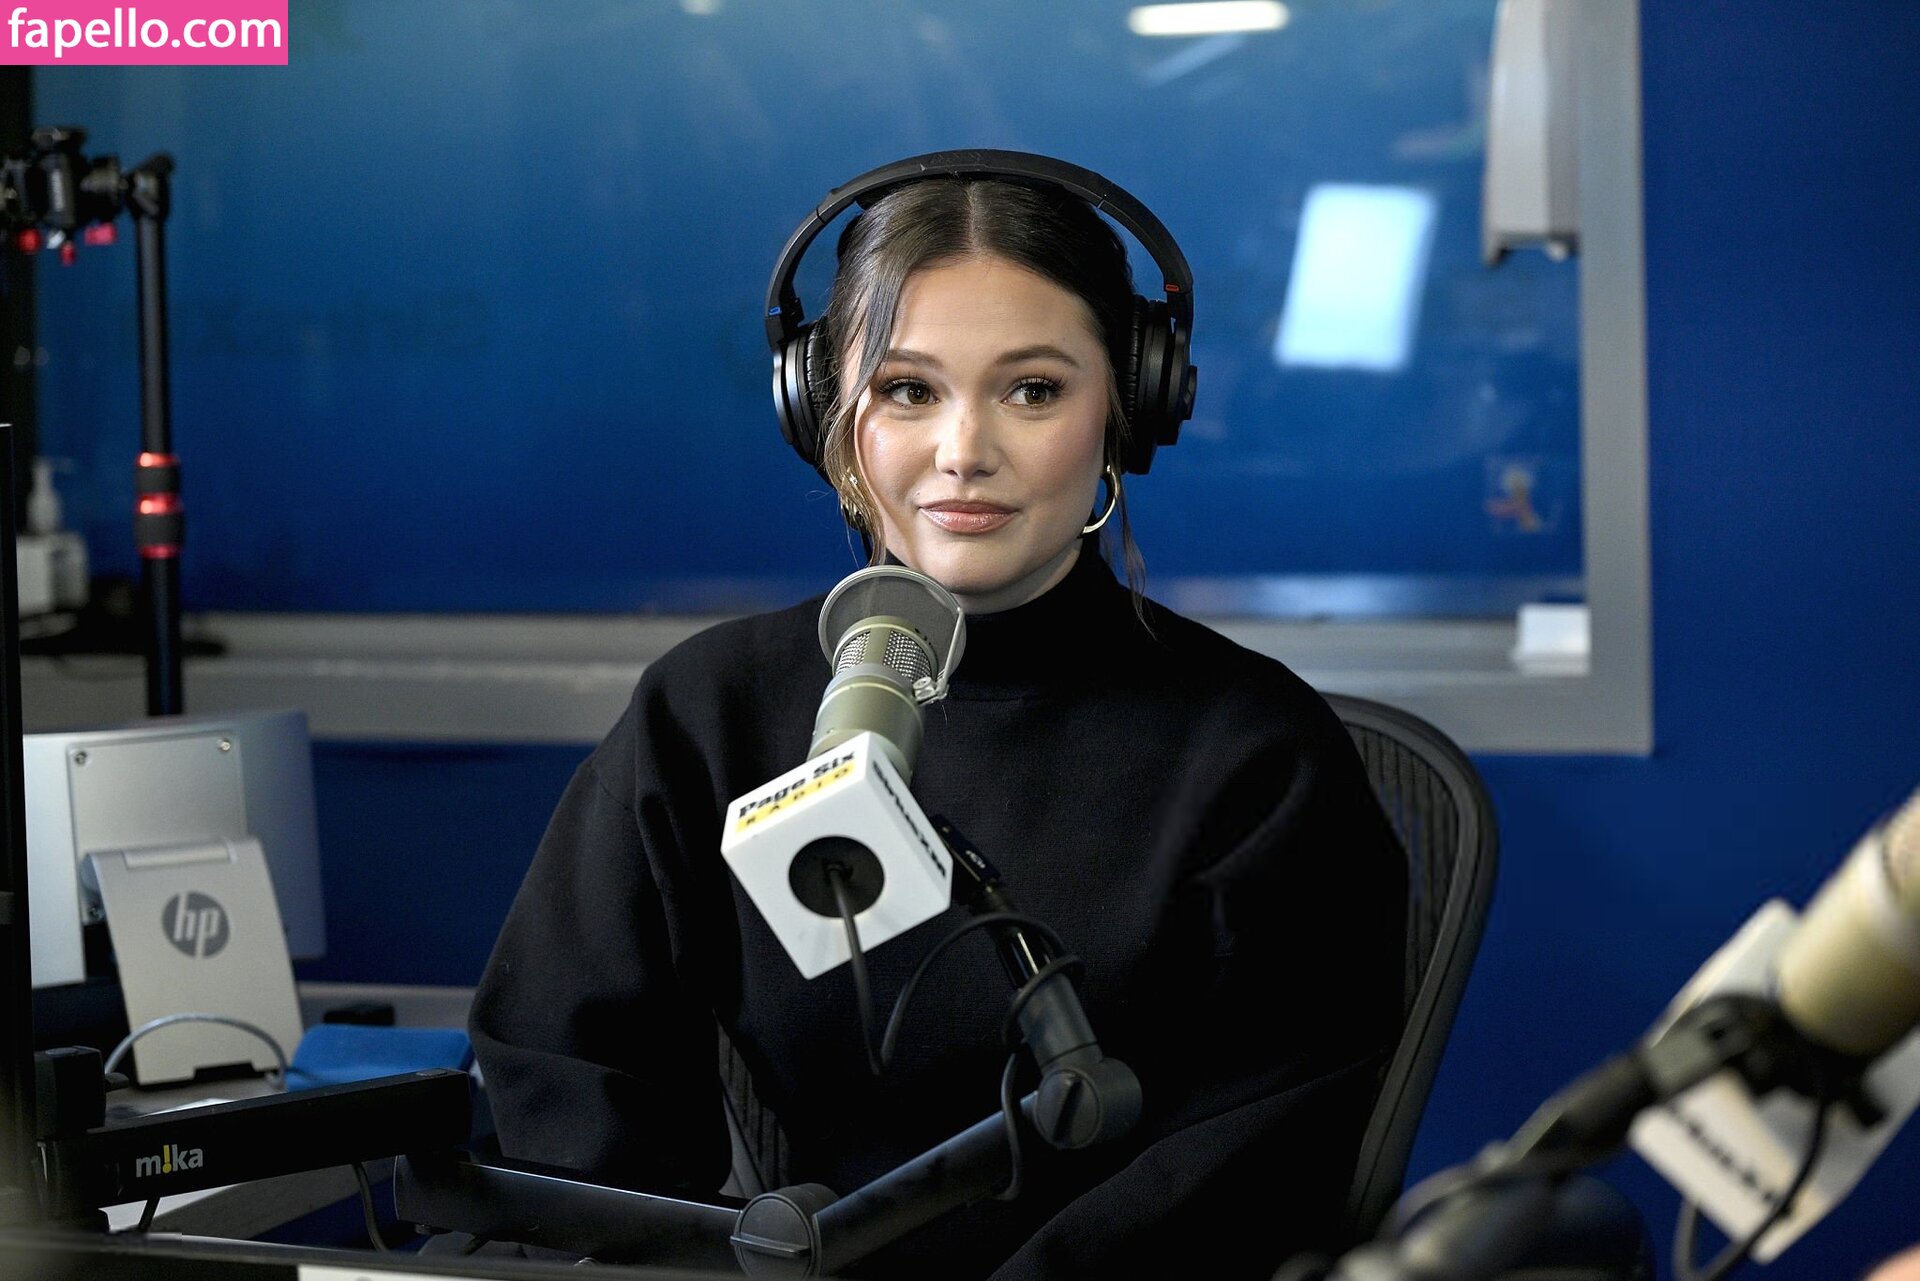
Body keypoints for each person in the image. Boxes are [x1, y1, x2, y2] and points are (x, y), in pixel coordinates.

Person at [468, 153, 1410, 1280]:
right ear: (824, 409)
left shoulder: (1257, 755)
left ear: (1131, 405)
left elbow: (1253, 1166)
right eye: (909, 391)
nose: (964, 452)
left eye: (1034, 390)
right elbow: (565, 1078)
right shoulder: (711, 713)